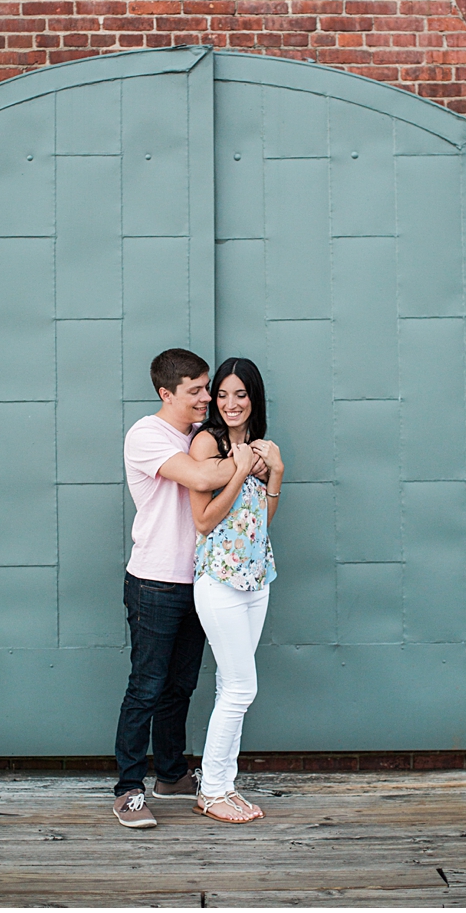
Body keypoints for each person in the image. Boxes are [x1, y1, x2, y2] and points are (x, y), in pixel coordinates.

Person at [113, 348, 268, 829]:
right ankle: (128, 788)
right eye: (197, 390)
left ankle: (173, 774)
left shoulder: (201, 436)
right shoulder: (148, 435)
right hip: (156, 580)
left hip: (201, 579)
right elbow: (201, 477)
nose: (207, 398)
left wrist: (262, 463)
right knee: (147, 685)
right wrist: (250, 461)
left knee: (180, 686)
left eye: (209, 388)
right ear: (167, 393)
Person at [189, 357, 284, 824]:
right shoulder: (208, 443)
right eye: (222, 395)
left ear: (254, 398)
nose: (229, 403)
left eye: (240, 395)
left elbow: (257, 527)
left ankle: (225, 784)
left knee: (231, 685)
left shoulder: (261, 447)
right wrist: (237, 469)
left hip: (254, 580)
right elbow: (205, 522)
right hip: (218, 582)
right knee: (242, 688)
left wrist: (275, 475)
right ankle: (211, 789)